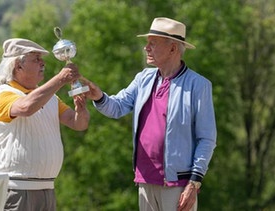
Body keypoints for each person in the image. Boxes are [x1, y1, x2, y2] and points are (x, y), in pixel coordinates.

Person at [83, 17, 217, 211]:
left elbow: (207, 138)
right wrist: (97, 95)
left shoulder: (199, 85)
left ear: (173, 49)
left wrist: (194, 182)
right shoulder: (143, 78)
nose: (146, 48)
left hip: (178, 185)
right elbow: (117, 107)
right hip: (144, 179)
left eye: (152, 43)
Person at [0, 38, 90, 211]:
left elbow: (78, 124)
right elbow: (26, 107)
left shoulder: (49, 97)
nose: (42, 63)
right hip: (17, 188)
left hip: (47, 188)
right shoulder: (3, 93)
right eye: (36, 59)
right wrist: (59, 79)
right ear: (17, 65)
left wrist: (81, 109)